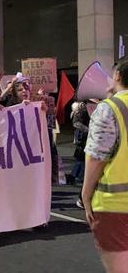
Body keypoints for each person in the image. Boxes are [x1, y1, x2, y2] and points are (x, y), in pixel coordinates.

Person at [82, 58, 128, 272]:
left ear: (118, 76)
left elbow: (97, 158)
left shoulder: (108, 109)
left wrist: (85, 194)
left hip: (115, 207)